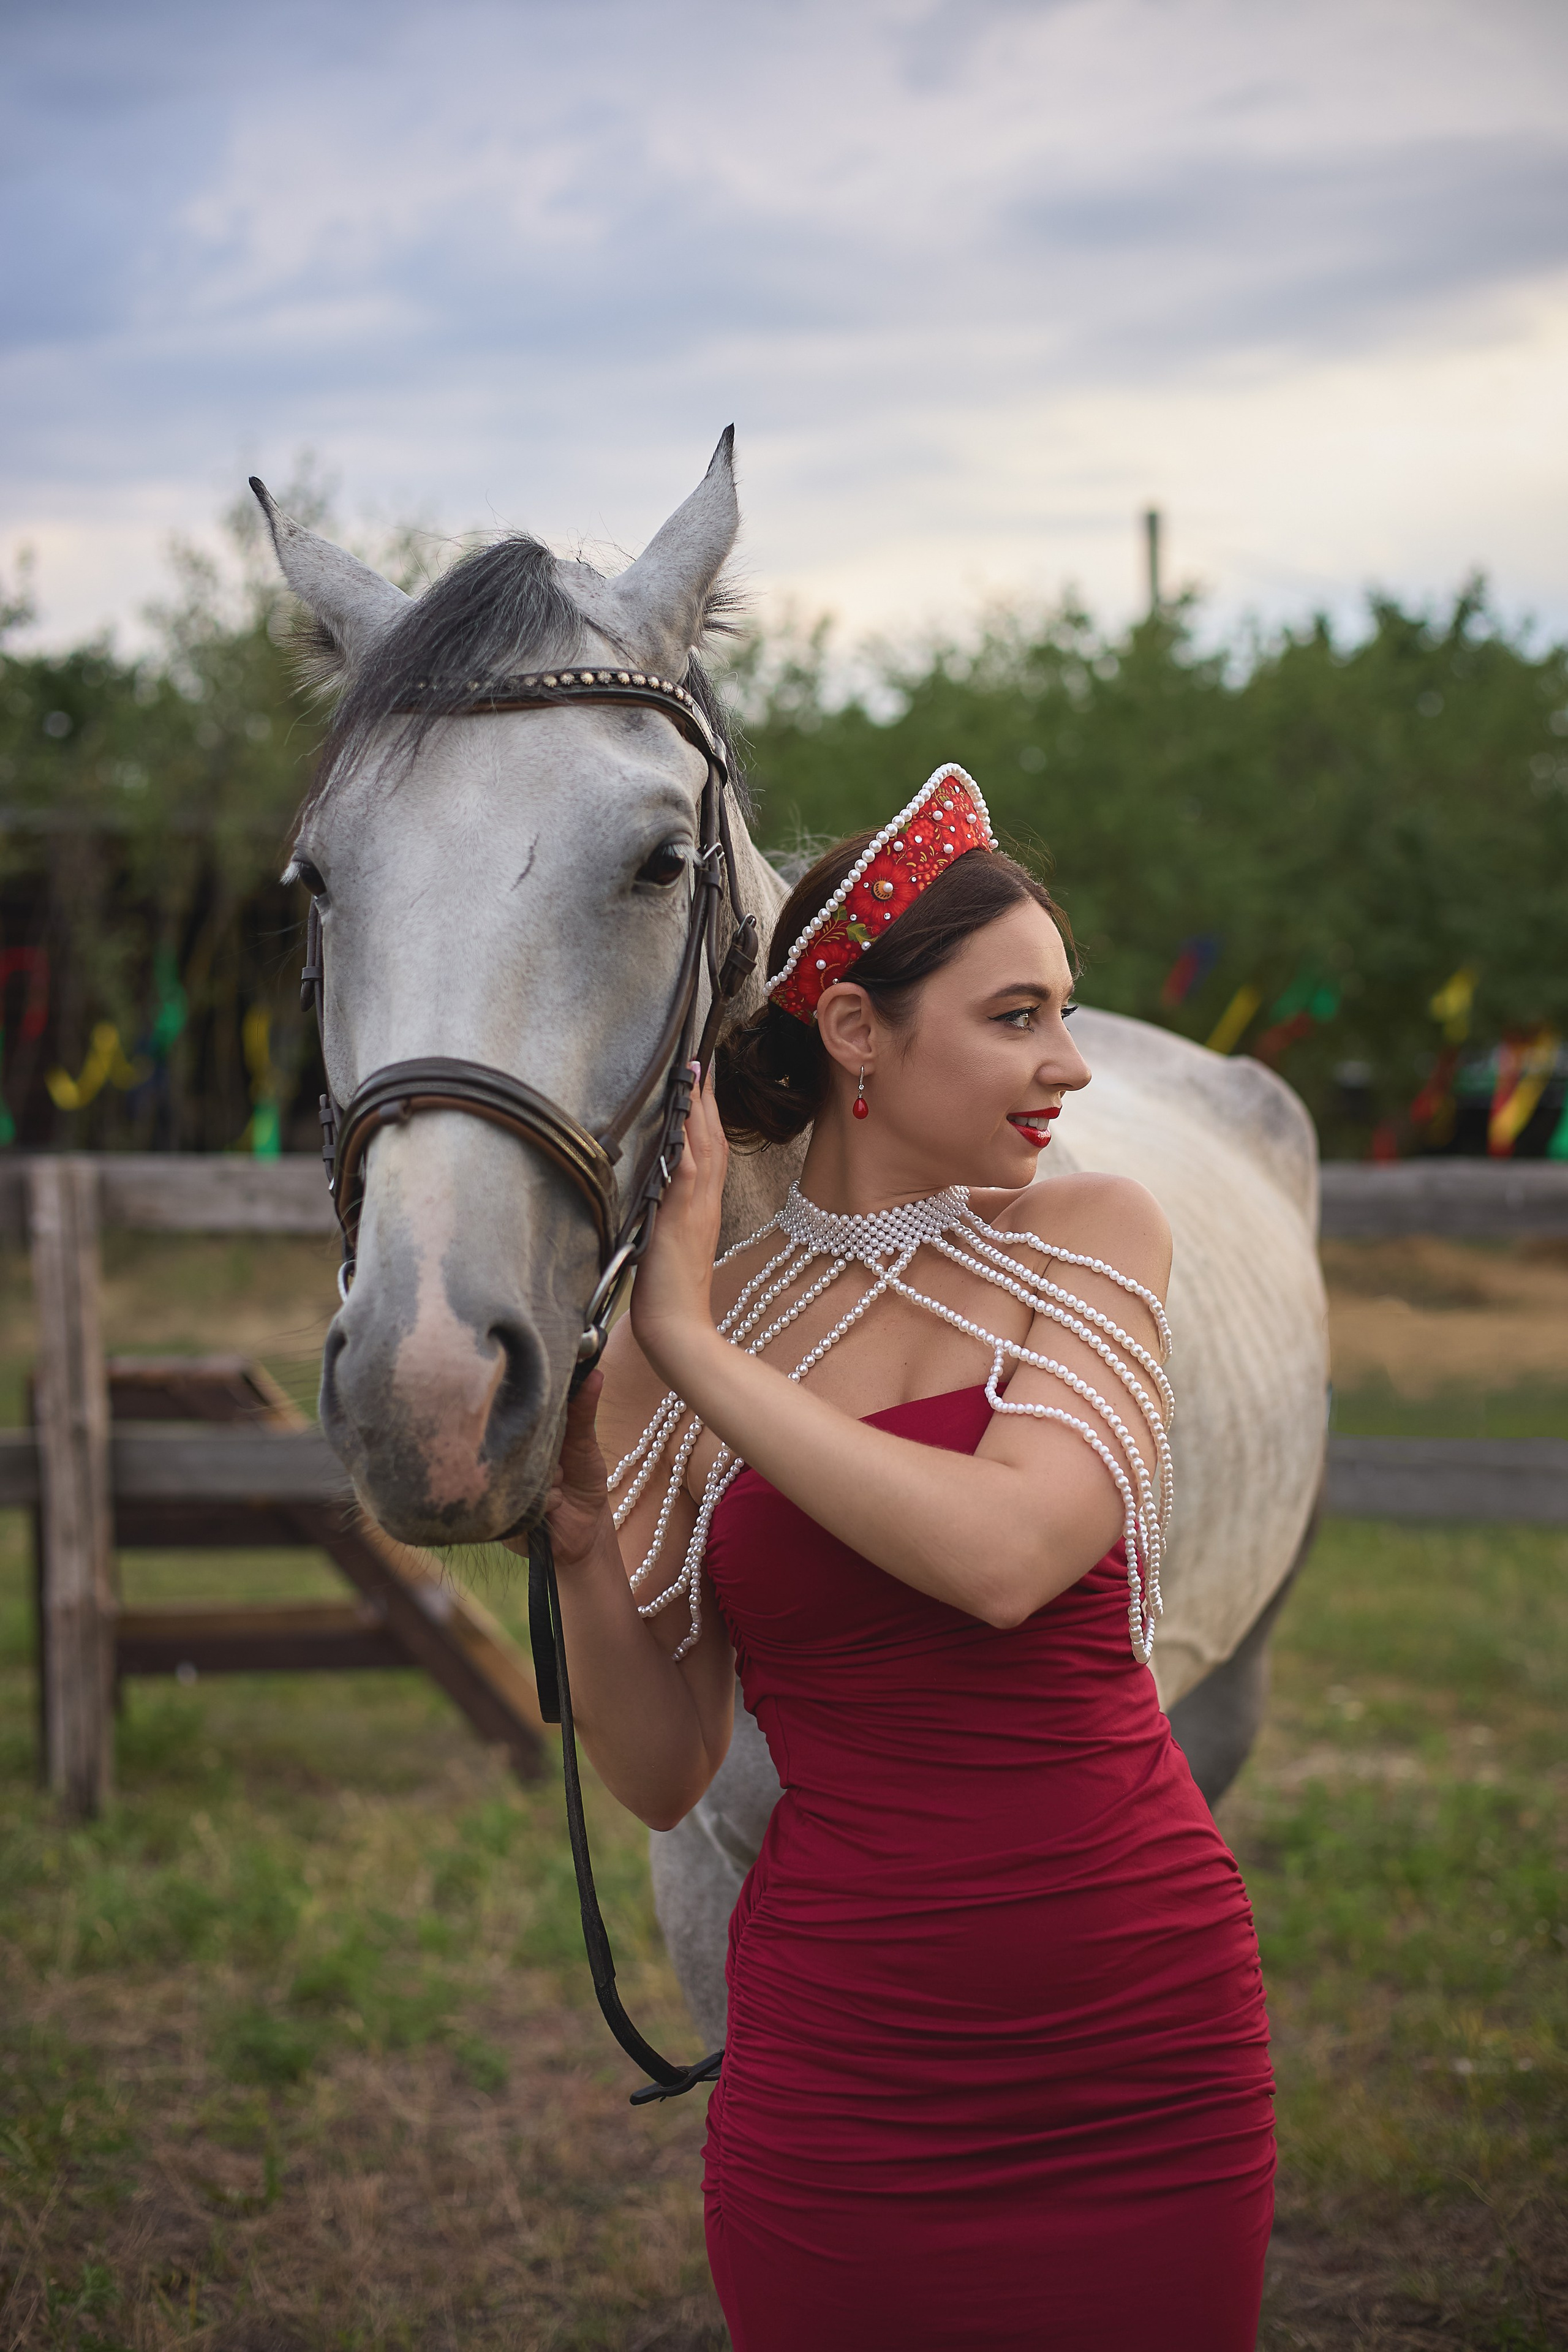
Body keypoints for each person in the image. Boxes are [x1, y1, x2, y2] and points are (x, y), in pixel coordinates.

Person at [534, 766, 1275, 2350]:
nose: (1068, 1064)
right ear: (857, 1034)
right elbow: (666, 1772)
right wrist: (590, 1553)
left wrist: (686, 1338)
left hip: (1136, 2027)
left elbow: (1008, 1555)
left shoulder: (1088, 1238)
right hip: (844, 2051)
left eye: (1063, 1014)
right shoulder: (699, 1338)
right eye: (1016, 1017)